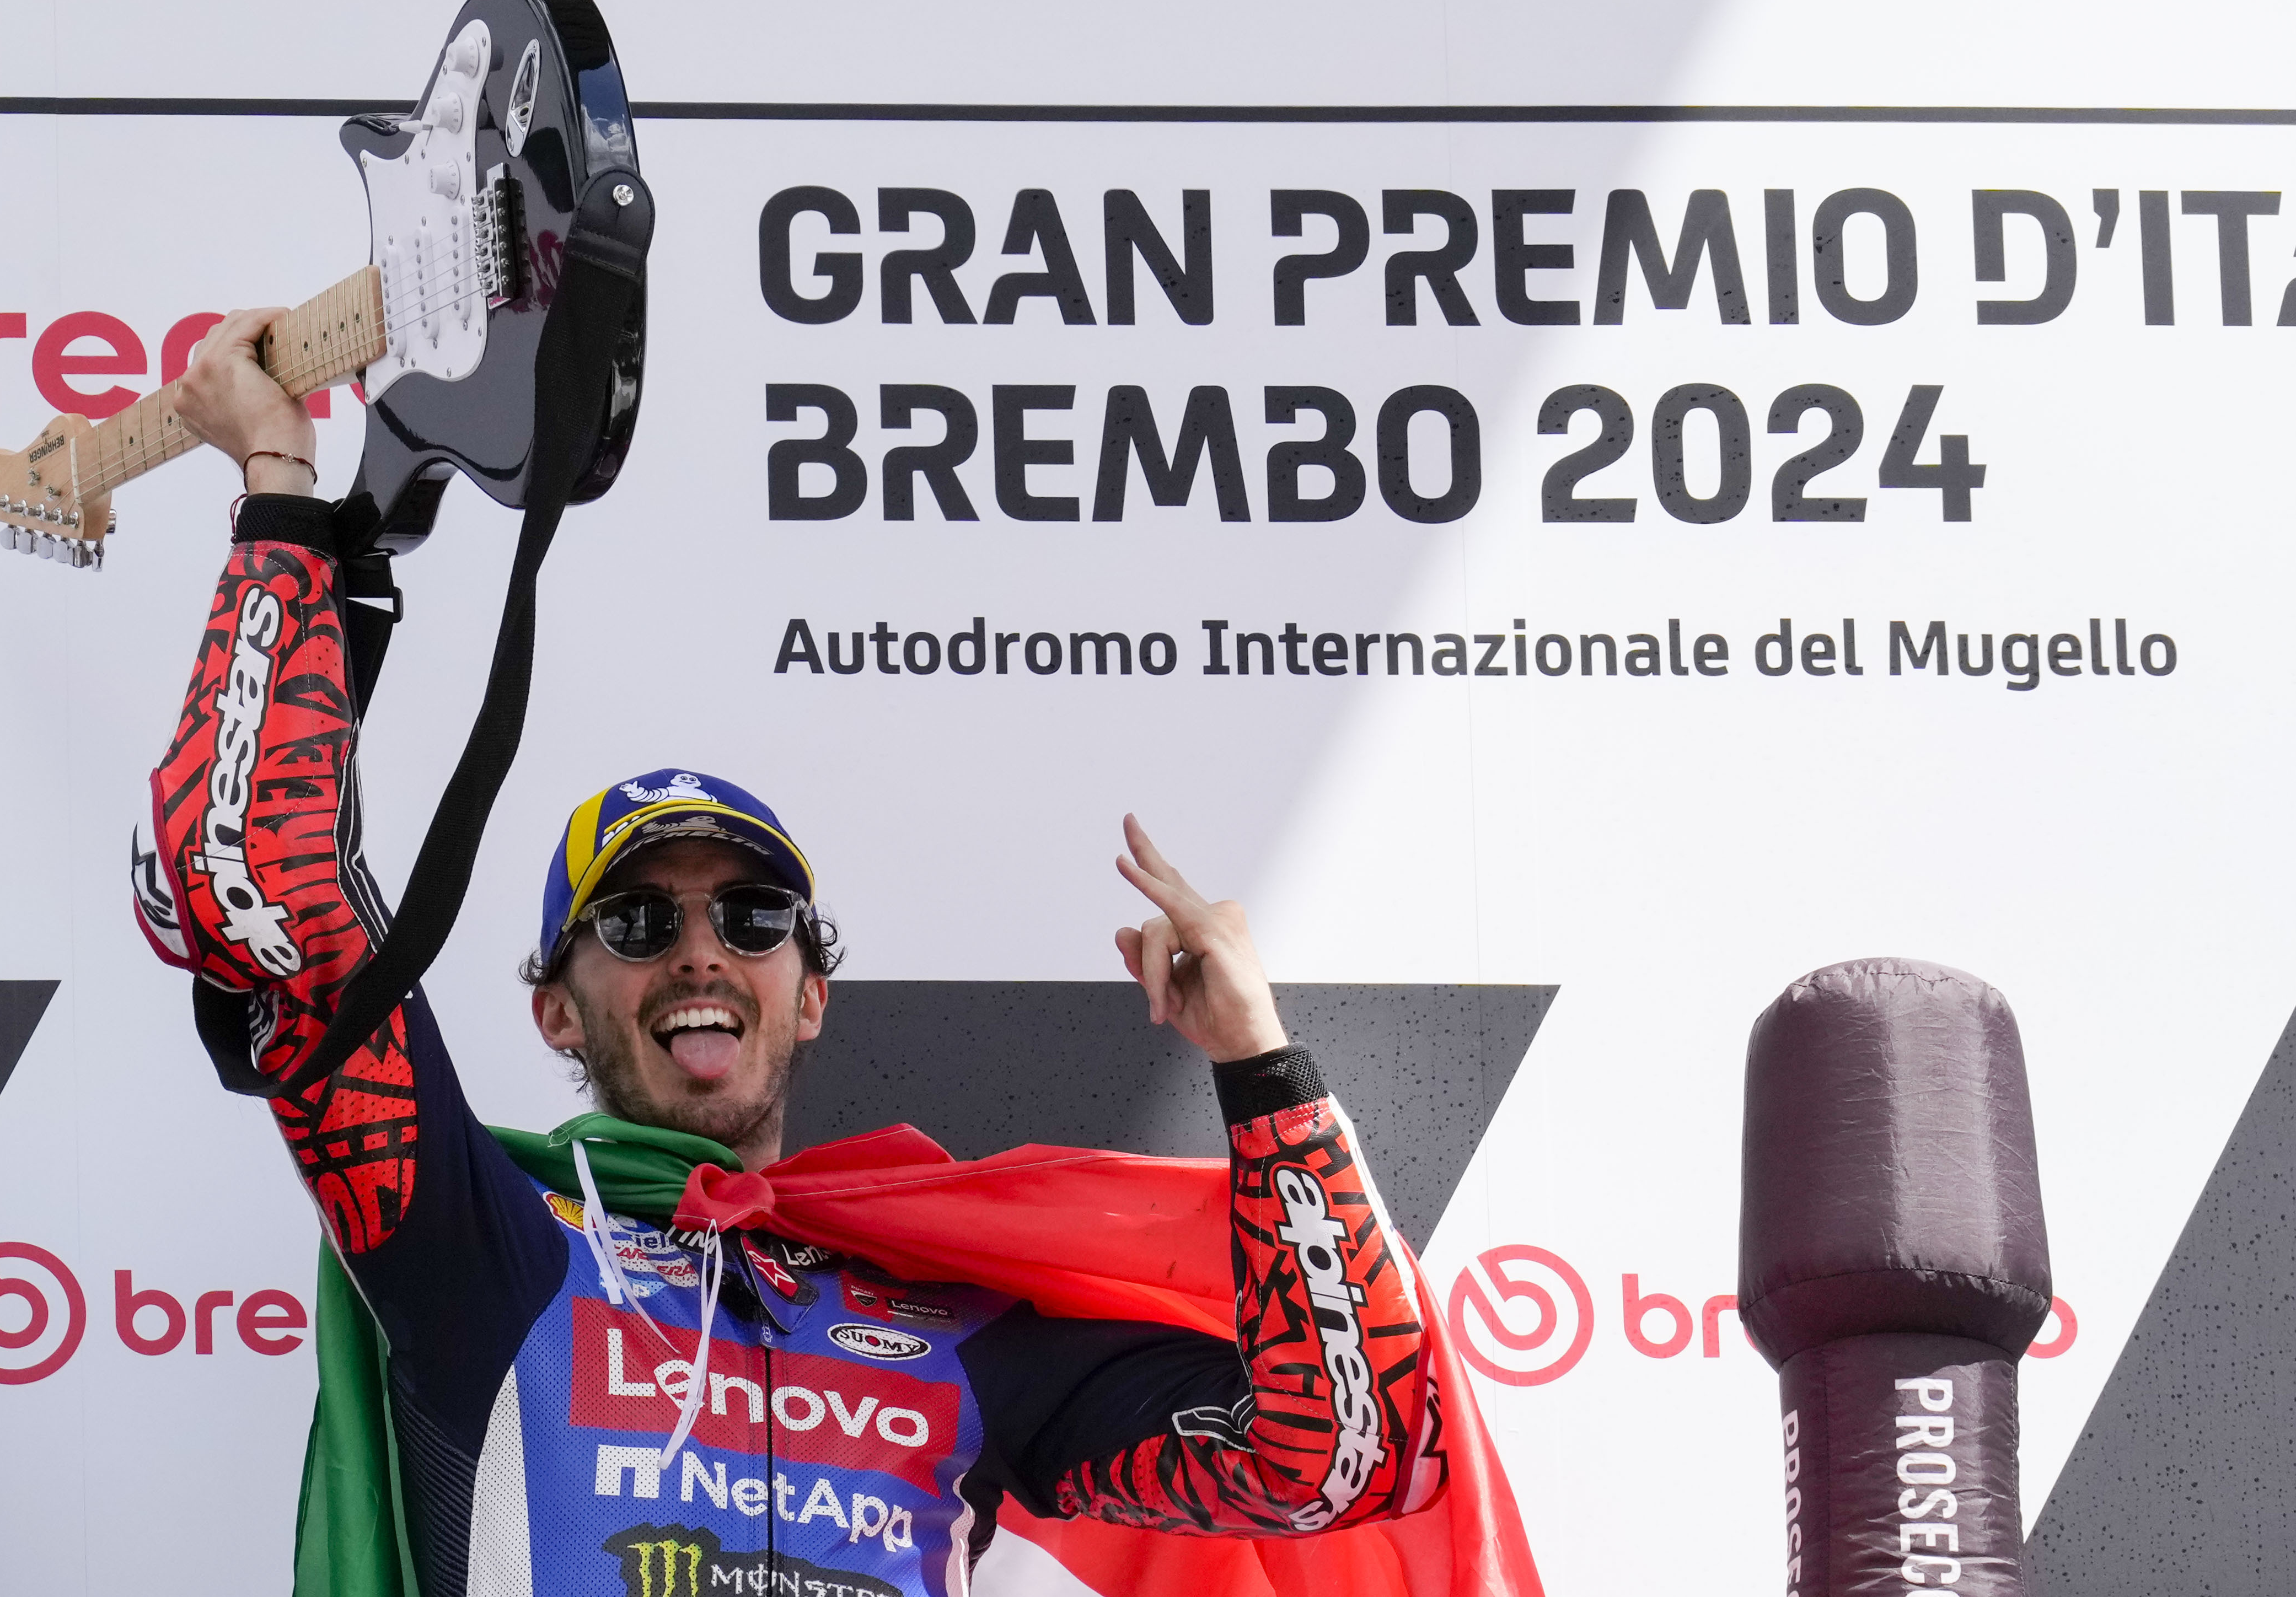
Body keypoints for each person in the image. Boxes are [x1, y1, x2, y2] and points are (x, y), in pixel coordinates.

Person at [141, 311, 1522, 1597]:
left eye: (751, 921)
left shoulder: (962, 1327)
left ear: (811, 996)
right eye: (637, 922)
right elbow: (265, 889)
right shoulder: (490, 1255)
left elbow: (1348, 1450)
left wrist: (1261, 1070)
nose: (699, 953)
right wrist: (281, 489)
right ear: (558, 1013)